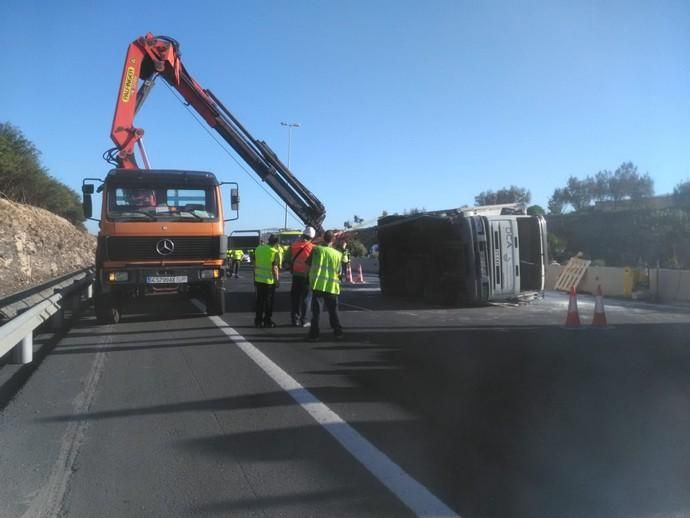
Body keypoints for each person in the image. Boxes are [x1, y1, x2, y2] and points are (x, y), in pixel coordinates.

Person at [307, 230, 343, 342]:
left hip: (318, 285)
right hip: (331, 286)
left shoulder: (317, 250)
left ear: (323, 239)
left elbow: (308, 263)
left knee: (316, 312)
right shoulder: (338, 254)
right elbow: (339, 271)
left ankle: (314, 334)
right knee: (333, 311)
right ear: (333, 240)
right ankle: (338, 332)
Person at [285, 226, 316, 327]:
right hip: (307, 276)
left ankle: (295, 320)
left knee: (295, 298)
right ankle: (304, 320)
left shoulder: (293, 245)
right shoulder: (314, 248)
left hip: (296, 275)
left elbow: (286, 259)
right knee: (307, 299)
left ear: (303, 234)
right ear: (312, 237)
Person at [253, 235, 280, 328]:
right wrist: (277, 281)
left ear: (268, 240)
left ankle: (258, 321)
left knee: (259, 301)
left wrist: (254, 277)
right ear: (276, 243)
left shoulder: (258, 249)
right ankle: (267, 321)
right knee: (268, 302)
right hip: (269, 281)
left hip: (258, 280)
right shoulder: (274, 252)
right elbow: (275, 268)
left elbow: (254, 264)